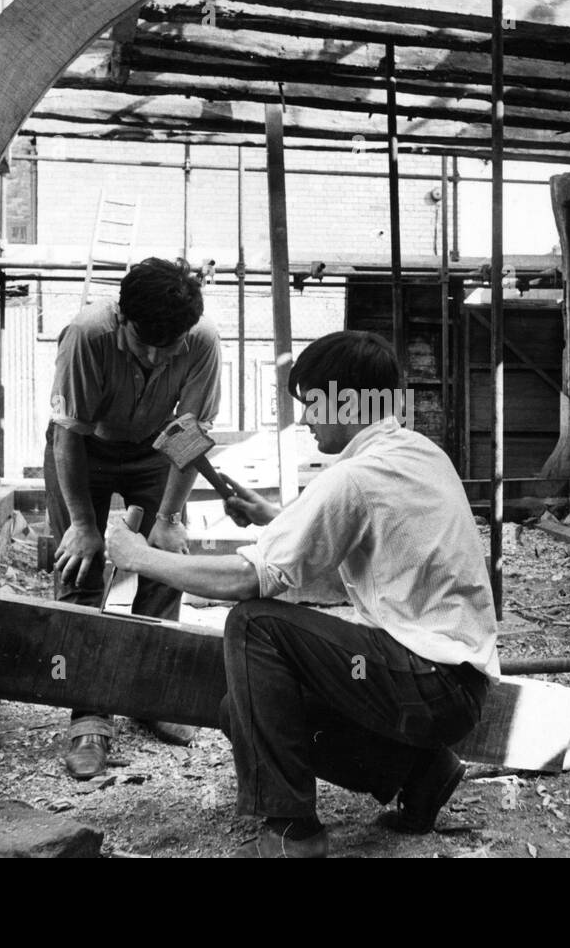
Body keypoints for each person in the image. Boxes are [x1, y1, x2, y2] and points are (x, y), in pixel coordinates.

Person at [105, 330, 499, 857]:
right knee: (237, 712)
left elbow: (248, 582)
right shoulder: (418, 453)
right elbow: (355, 565)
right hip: (454, 691)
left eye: (312, 402)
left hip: (426, 680)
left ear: (344, 399)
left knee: (253, 624)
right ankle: (423, 772)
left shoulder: (356, 476)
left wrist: (140, 558)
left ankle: (292, 831)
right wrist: (272, 519)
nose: (307, 418)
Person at [47, 257, 221, 779]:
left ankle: (154, 693)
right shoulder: (86, 334)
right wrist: (82, 524)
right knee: (80, 570)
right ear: (123, 317)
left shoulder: (204, 341)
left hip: (153, 450)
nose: (152, 354)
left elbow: (189, 432)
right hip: (85, 449)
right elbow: (67, 435)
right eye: (143, 341)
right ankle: (88, 715)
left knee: (166, 563)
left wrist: (168, 517)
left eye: (167, 347)